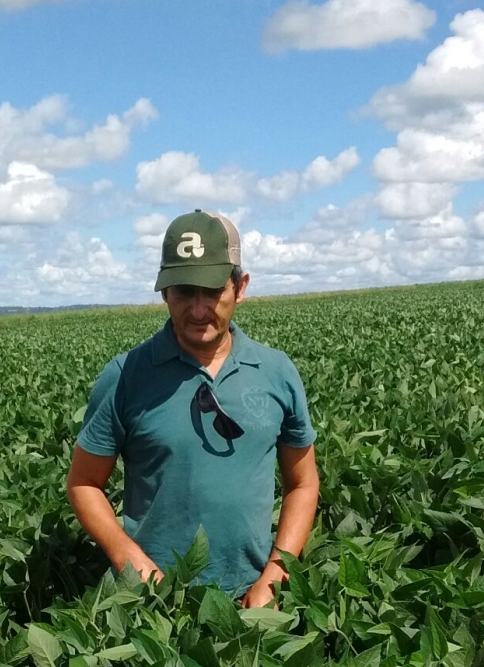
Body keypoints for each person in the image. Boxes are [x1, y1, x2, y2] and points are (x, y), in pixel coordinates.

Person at [66, 209, 319, 607]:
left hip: (255, 597)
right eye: (184, 290)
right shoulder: (127, 375)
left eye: (213, 289)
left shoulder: (275, 372)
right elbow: (83, 483)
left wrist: (276, 575)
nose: (199, 309)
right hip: (153, 601)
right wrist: (130, 560)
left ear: (241, 287)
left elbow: (303, 484)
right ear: (165, 292)